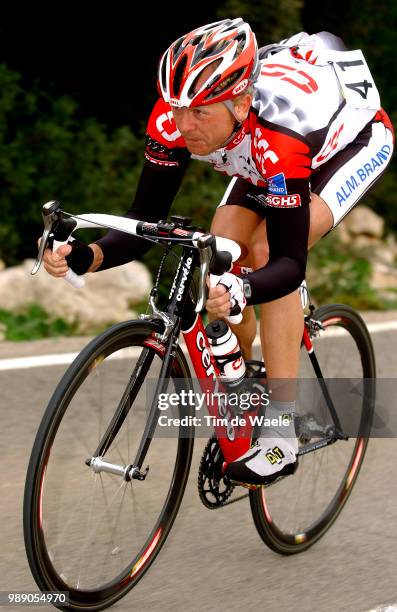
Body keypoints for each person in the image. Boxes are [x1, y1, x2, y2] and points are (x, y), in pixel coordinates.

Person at [43, 18, 394, 486]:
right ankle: (243, 391)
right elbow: (144, 222)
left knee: (267, 252)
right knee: (223, 250)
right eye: (177, 107)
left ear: (240, 101)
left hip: (349, 143)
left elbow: (288, 265)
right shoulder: (177, 117)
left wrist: (248, 285)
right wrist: (85, 257)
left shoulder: (280, 136)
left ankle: (282, 426)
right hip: (256, 150)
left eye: (199, 113)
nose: (183, 125)